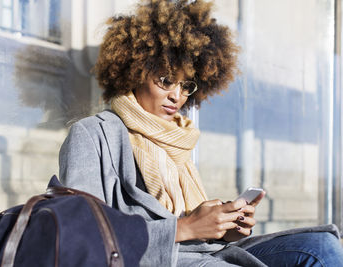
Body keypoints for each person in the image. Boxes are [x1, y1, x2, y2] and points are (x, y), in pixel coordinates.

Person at [59, 0, 343, 266]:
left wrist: (225, 227)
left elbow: (195, 227)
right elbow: (82, 236)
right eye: (166, 80)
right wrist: (186, 227)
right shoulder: (93, 134)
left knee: (323, 247)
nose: (177, 96)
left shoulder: (176, 138)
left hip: (207, 249)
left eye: (186, 86)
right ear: (134, 71)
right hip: (158, 258)